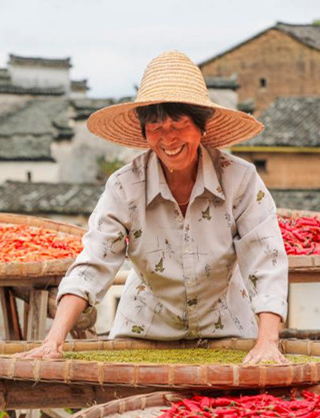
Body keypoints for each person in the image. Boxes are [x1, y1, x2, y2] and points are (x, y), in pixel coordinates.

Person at [18, 51, 288, 364]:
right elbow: (94, 260)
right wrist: (54, 340)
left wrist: (267, 342)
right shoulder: (125, 186)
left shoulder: (239, 179)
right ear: (145, 133)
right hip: (144, 331)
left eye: (179, 124)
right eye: (156, 127)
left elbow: (264, 257)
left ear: (201, 128)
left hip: (227, 328)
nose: (168, 139)